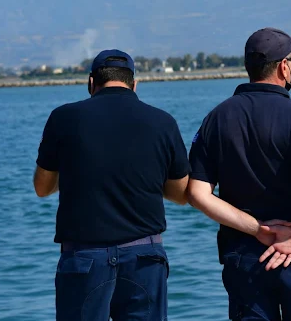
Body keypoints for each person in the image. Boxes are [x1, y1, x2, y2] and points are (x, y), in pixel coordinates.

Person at [187, 27, 291, 321]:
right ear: (284, 67)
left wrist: (258, 229)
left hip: (245, 252)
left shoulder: (217, 118)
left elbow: (197, 193)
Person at [33, 49, 190, 321]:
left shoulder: (63, 118)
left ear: (91, 82)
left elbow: (42, 188)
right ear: (134, 84)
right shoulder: (163, 122)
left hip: (84, 258)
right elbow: (181, 195)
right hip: (145, 257)